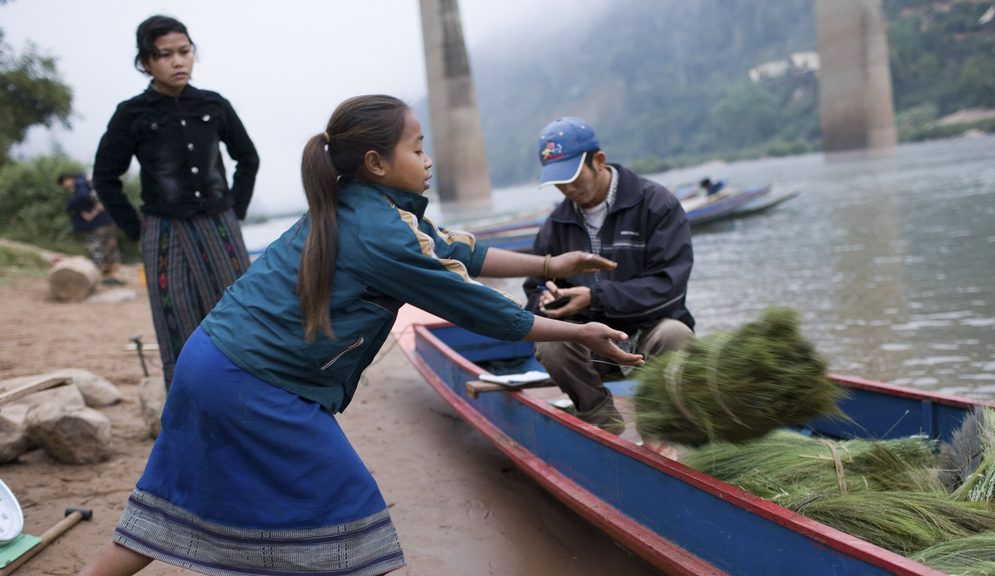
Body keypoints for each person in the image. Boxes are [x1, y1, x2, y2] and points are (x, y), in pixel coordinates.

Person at [76, 95, 643, 576]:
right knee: (352, 514)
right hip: (253, 383)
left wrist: (548, 266)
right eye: (417, 148)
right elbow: (484, 312)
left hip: (213, 361)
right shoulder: (382, 233)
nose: (428, 159)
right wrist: (581, 331)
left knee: (160, 514)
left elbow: (453, 248)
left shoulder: (367, 206)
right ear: (375, 161)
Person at [92, 15, 260, 389]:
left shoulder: (214, 105)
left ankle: (250, 403)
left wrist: (236, 210)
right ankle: (191, 411)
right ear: (146, 62)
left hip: (219, 225)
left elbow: (247, 158)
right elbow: (105, 176)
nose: (178, 61)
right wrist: (136, 230)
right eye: (165, 55)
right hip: (162, 231)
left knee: (239, 316)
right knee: (177, 326)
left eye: (184, 52)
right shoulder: (131, 114)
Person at [523, 117, 696, 435]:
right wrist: (546, 300)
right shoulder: (557, 223)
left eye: (573, 177)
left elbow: (668, 286)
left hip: (648, 332)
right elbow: (534, 285)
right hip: (590, 338)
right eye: (559, 182)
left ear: (599, 161)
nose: (568, 189)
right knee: (550, 343)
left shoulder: (656, 205)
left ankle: (661, 426)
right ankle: (601, 418)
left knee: (676, 335)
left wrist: (594, 297)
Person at [59, 172, 123, 285]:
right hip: (108, 220)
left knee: (96, 249)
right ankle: (112, 277)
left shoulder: (80, 184)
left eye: (63, 184)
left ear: (67, 179)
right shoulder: (89, 183)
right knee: (110, 248)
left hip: (98, 224)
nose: (65, 187)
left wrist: (69, 205)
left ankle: (97, 276)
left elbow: (82, 196)